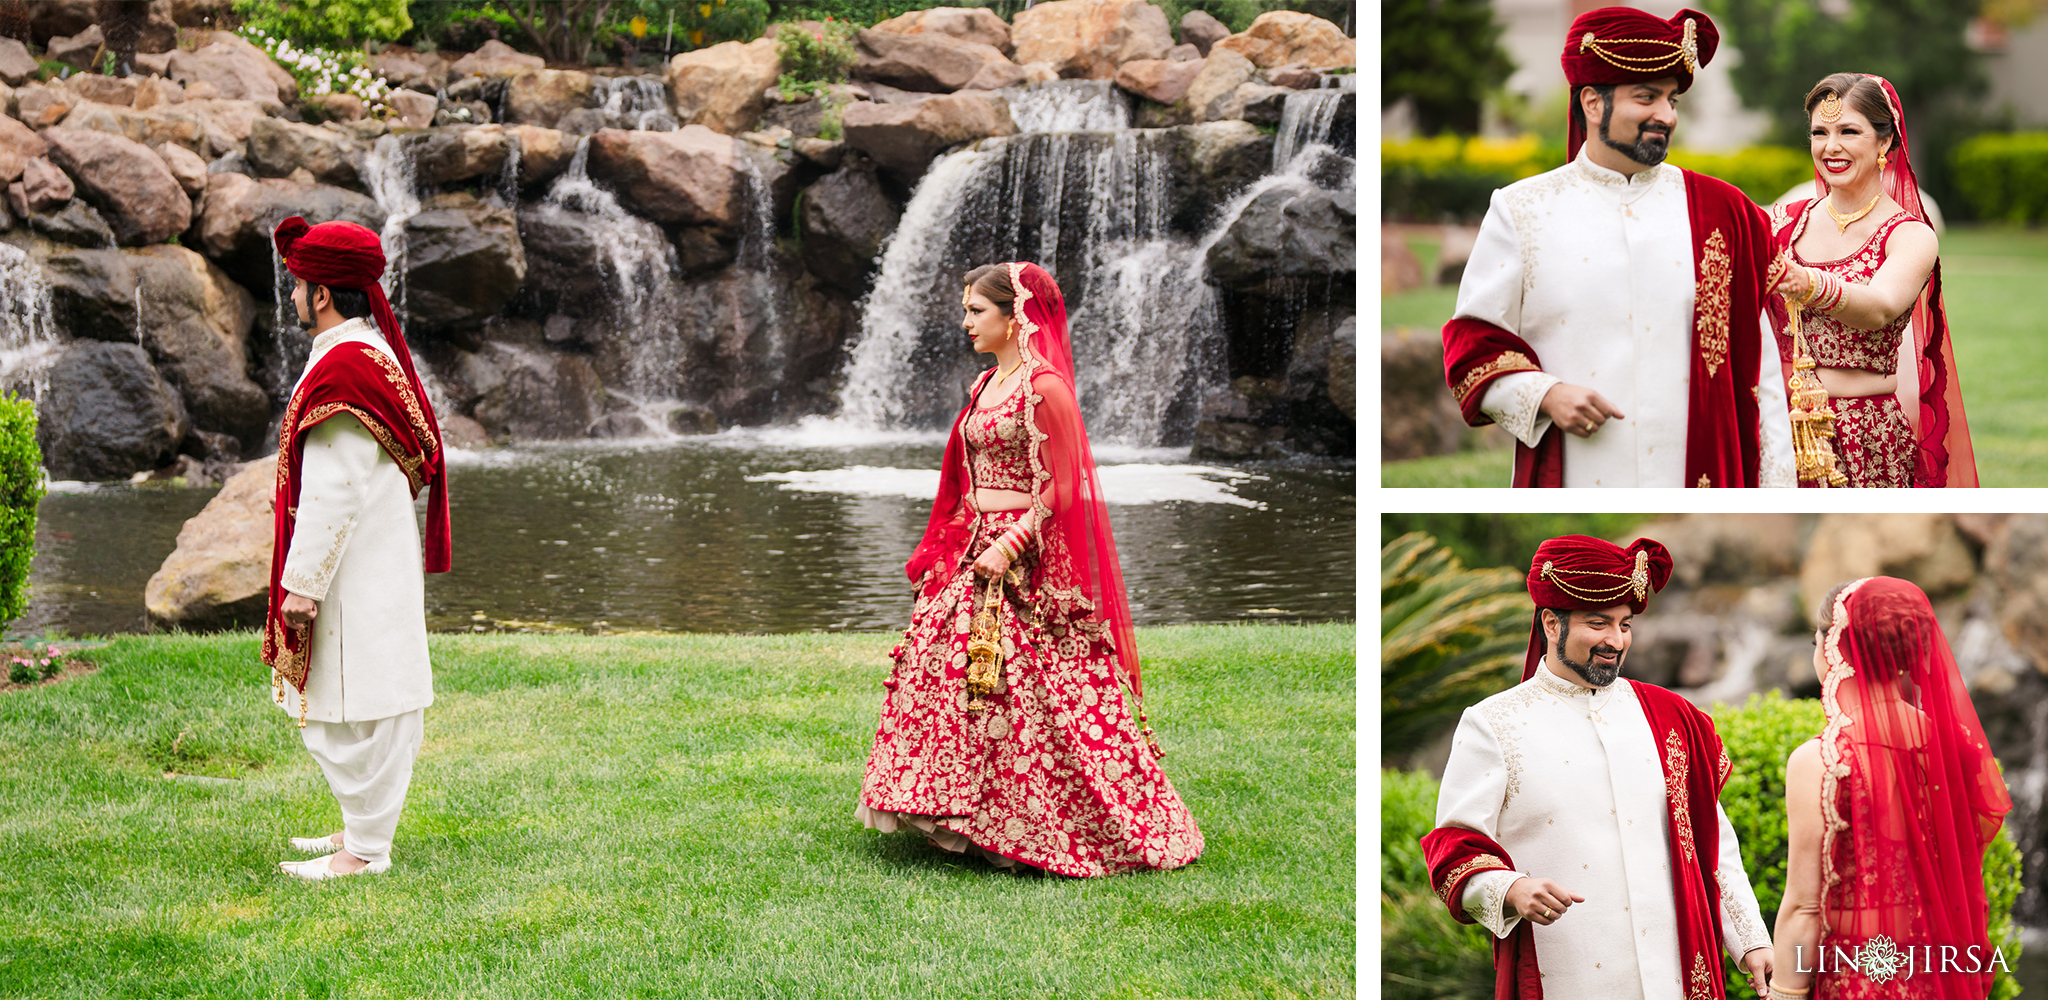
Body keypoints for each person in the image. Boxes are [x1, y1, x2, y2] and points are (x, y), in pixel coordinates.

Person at [855, 261, 1202, 876]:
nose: (966, 322)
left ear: (1016, 315)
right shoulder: (984, 384)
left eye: (976, 311)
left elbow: (1068, 486)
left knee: (1041, 692)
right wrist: (962, 537)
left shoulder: (1045, 388)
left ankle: (1056, 823)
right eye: (965, 310)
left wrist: (1011, 544)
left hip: (1025, 554)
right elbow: (972, 477)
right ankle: (959, 816)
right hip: (975, 543)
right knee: (952, 675)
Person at [1440, 6, 1795, 488]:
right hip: (1575, 475)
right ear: (1591, 103)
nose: (1665, 115)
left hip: (1701, 479)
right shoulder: (1521, 210)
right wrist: (1545, 395)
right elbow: (1472, 347)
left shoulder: (1725, 212)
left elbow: (1765, 375)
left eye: (1672, 99)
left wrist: (1775, 490)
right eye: (1646, 97)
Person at [1423, 535, 1774, 999]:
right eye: (1598, 623)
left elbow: (1712, 844)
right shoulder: (1493, 723)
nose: (1615, 640)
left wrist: (1749, 938)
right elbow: (1453, 847)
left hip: (1677, 970)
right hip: (1566, 973)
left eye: (1625, 624)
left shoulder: (1672, 716)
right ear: (1551, 623)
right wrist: (1510, 889)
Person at [264, 216, 451, 880]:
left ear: (322, 294)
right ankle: (360, 827)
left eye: (297, 286)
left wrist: (302, 583)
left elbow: (335, 488)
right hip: (372, 557)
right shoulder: (363, 351)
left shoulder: (346, 366)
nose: (291, 297)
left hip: (355, 565)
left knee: (352, 707)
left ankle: (366, 850)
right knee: (360, 700)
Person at [1767, 578, 2010, 999]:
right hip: (1942, 970)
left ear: (1836, 646)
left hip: (1858, 978)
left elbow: (1805, 906)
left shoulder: (1822, 761)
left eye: (1816, 640)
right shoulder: (1956, 751)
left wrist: (1784, 992)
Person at [1768, 74, 1976, 488]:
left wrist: (1806, 281)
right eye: (1819, 132)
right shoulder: (1782, 222)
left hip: (1862, 434)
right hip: (1778, 428)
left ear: (1884, 142)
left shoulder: (1911, 235)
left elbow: (1879, 307)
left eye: (1849, 131)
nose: (1831, 147)